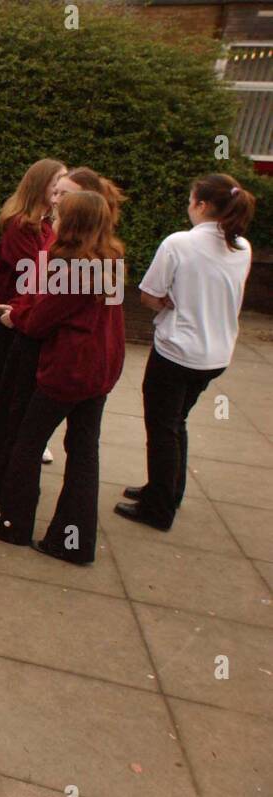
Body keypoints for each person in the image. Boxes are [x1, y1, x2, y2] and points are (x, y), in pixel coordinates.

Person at [0, 191, 125, 564]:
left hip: (69, 371)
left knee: (27, 443)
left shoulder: (69, 265)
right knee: (84, 451)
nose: (55, 220)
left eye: (60, 215)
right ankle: (73, 540)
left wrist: (12, 316)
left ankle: (13, 522)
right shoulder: (110, 259)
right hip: (102, 369)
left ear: (73, 223)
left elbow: (40, 320)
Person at [116, 174, 256, 531]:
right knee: (176, 422)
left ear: (203, 205)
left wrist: (167, 302)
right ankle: (166, 491)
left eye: (191, 200)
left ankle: (158, 509)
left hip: (177, 352)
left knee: (162, 427)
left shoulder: (180, 243)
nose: (188, 206)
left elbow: (149, 295)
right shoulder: (243, 247)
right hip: (216, 355)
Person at [0, 159, 65, 458]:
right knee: (1, 369)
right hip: (10, 311)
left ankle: (25, 434)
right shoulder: (20, 224)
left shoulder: (49, 224)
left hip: (33, 312)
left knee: (29, 376)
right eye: (56, 184)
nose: (60, 191)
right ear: (40, 185)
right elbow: (35, 271)